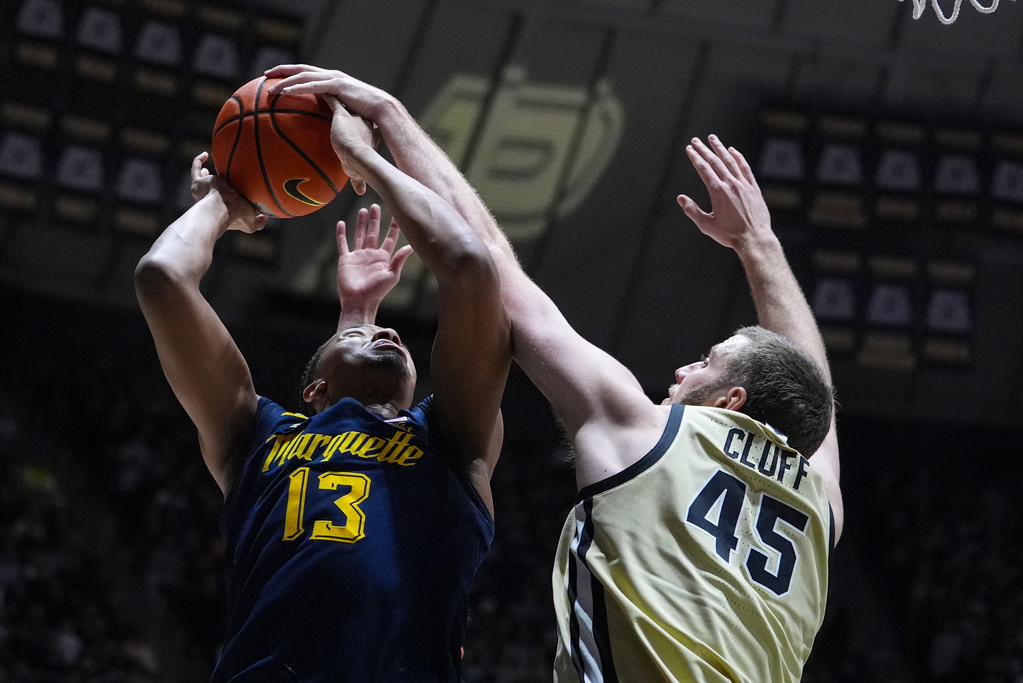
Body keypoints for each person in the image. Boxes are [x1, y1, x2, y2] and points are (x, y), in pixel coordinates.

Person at [267, 65, 842, 683]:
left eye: (705, 362)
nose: (682, 368)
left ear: (731, 401)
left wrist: (389, 117)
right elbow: (819, 396)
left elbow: (487, 261)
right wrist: (760, 248)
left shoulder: (646, 434)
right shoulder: (816, 505)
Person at [134, 96, 511, 681]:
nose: (388, 331)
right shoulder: (255, 438)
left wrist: (362, 155)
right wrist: (222, 202)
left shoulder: (451, 439)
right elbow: (161, 278)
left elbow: (469, 264)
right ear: (311, 393)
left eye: (389, 335)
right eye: (370, 333)